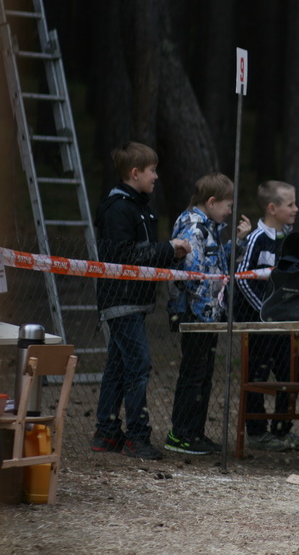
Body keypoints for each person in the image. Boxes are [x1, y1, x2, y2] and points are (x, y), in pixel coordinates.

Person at [92, 141, 191, 460]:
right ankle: (137, 436)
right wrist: (167, 248)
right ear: (135, 173)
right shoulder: (118, 208)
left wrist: (170, 253)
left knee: (119, 366)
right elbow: (121, 256)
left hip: (136, 299)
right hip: (120, 299)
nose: (156, 176)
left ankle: (106, 433)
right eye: (152, 170)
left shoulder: (141, 206)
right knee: (138, 363)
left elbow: (144, 253)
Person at [165, 173, 251, 455]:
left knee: (204, 375)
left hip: (210, 315)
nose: (230, 210)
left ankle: (195, 432)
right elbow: (193, 276)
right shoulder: (192, 227)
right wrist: (207, 313)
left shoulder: (210, 227)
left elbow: (217, 264)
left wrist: (237, 240)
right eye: (227, 204)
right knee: (193, 373)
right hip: (195, 315)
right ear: (211, 202)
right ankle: (181, 434)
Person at [235, 180, 299, 451]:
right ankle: (256, 432)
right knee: (256, 375)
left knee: (293, 374)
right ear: (272, 208)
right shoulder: (257, 237)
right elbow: (242, 279)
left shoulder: (290, 238)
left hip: (285, 324)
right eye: (290, 204)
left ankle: (281, 430)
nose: (296, 209)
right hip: (260, 324)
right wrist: (264, 312)